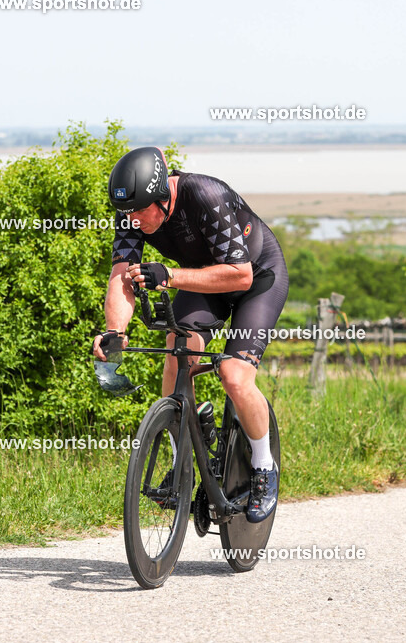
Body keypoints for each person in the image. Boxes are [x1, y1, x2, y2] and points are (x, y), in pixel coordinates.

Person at [92, 147, 288, 522]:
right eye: (127, 213)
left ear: (163, 198)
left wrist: (169, 276)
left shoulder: (205, 195)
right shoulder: (132, 212)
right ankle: (183, 458)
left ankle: (264, 467)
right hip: (205, 281)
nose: (133, 219)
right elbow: (121, 276)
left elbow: (240, 275)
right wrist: (115, 330)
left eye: (139, 211)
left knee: (233, 374)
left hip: (256, 279)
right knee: (177, 352)